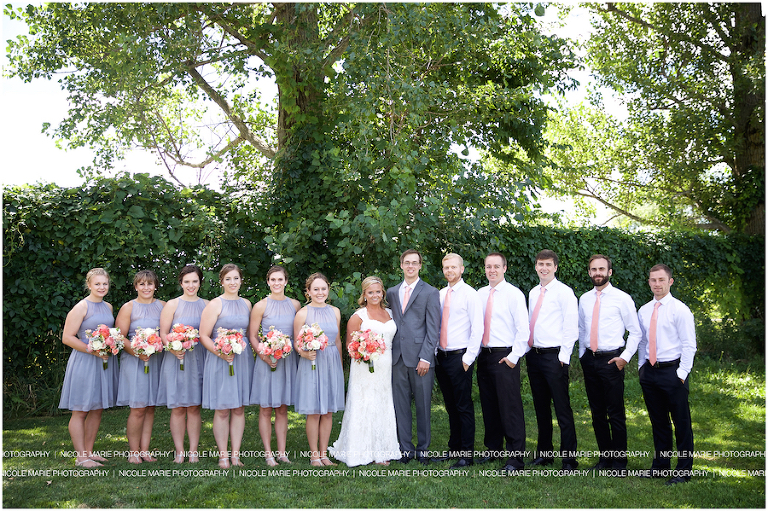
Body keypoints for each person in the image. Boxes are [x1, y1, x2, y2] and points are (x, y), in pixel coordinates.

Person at [578, 254, 642, 473]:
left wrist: (624, 358)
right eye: (594, 269)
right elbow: (581, 328)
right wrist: (581, 355)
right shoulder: (585, 299)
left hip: (612, 360)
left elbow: (635, 331)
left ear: (610, 272)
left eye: (602, 269)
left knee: (615, 412)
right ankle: (604, 459)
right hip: (590, 359)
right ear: (589, 272)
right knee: (597, 413)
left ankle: (620, 462)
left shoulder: (622, 298)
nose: (597, 273)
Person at [329, 276, 400, 467]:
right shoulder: (358, 316)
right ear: (364, 295)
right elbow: (350, 346)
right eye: (371, 292)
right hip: (365, 367)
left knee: (382, 403)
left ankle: (382, 450)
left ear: (382, 292)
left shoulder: (391, 314)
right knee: (365, 404)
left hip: (386, 366)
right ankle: (359, 450)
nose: (375, 295)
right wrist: (366, 351)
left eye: (378, 291)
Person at [637, 264, 696, 485]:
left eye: (661, 280)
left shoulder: (680, 309)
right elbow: (643, 342)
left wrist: (681, 373)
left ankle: (683, 470)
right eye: (653, 280)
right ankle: (661, 466)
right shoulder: (643, 310)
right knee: (658, 422)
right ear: (649, 282)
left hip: (673, 372)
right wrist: (642, 367)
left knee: (681, 423)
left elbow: (689, 345)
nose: (657, 284)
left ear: (670, 281)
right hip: (650, 373)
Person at [59, 268, 119, 468]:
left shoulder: (108, 307)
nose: (102, 287)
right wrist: (91, 350)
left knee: (97, 408)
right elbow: (67, 337)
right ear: (89, 285)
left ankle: (90, 451)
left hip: (103, 362)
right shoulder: (81, 307)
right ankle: (80, 457)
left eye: (105, 284)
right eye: (97, 284)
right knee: (80, 410)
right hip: (85, 361)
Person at [387, 249, 441, 465]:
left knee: (423, 405)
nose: (410, 266)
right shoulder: (391, 292)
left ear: (420, 266)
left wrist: (426, 357)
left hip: (421, 358)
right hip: (397, 358)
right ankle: (405, 449)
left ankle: (423, 450)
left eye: (414, 263)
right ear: (401, 265)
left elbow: (433, 328)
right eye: (407, 262)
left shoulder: (430, 292)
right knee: (400, 406)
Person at [476, 253, 529, 473]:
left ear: (504, 268)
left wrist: (513, 358)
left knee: (510, 408)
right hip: (484, 355)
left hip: (504, 356)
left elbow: (523, 330)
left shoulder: (514, 294)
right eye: (488, 267)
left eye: (496, 266)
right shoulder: (479, 294)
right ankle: (494, 449)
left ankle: (516, 459)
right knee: (489, 406)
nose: (492, 270)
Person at [526, 249, 579, 471]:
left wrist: (563, 357)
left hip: (554, 357)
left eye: (548, 264)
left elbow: (571, 326)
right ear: (536, 267)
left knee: (562, 408)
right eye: (540, 264)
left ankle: (569, 459)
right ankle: (544, 453)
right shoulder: (532, 292)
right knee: (541, 407)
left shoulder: (565, 293)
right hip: (534, 355)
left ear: (555, 267)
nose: (544, 268)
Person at [200, 264, 254, 469]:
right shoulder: (214, 304)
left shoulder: (247, 304)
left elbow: (248, 334)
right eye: (228, 279)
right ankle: (223, 455)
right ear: (221, 281)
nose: (233, 282)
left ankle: (236, 455)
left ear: (241, 281)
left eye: (236, 278)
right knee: (223, 409)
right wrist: (221, 352)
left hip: (241, 359)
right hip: (220, 359)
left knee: (239, 408)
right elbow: (204, 335)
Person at [434, 253, 483, 469]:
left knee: (463, 406)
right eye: (446, 267)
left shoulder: (470, 295)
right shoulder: (440, 294)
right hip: (441, 357)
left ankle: (467, 454)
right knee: (450, 406)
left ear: (462, 269)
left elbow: (478, 328)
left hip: (459, 357)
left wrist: (468, 358)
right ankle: (453, 448)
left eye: (453, 267)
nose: (449, 271)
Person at [249, 266, 301, 466]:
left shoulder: (295, 305)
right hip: (267, 361)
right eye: (273, 279)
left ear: (286, 282)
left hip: (287, 361)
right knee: (266, 408)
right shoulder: (261, 306)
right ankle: (268, 453)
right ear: (268, 282)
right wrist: (263, 355)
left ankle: (282, 452)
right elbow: (252, 336)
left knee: (282, 408)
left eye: (280, 279)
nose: (277, 283)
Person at [157, 265, 208, 464]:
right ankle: (179, 451)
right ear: (180, 283)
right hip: (176, 358)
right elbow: (163, 333)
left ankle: (193, 451)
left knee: (194, 406)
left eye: (195, 281)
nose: (191, 285)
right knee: (178, 407)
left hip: (198, 359)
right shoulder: (172, 305)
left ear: (200, 283)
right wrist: (172, 347)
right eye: (187, 282)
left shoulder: (207, 304)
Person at [293, 272, 344, 467]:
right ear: (308, 292)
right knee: (314, 411)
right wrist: (304, 353)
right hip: (312, 363)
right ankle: (314, 455)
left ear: (328, 290)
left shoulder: (335, 311)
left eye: (323, 288)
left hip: (331, 362)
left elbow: (338, 340)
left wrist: (339, 366)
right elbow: (297, 342)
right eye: (316, 289)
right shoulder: (303, 313)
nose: (320, 292)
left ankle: (324, 454)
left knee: (329, 411)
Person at [116, 270, 166, 463]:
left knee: (150, 406)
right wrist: (139, 352)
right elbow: (120, 336)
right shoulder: (128, 307)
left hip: (155, 360)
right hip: (135, 360)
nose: (146, 288)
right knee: (138, 407)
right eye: (142, 284)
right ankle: (133, 451)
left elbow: (166, 331)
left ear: (155, 286)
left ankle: (145, 450)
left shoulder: (163, 306)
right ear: (136, 286)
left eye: (150, 284)